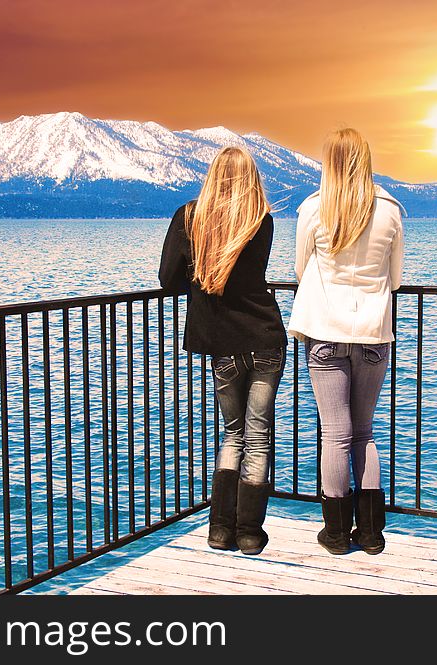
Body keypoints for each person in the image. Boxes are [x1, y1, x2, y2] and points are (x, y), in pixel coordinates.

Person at [159, 146, 287, 555]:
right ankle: (250, 533)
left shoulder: (189, 216)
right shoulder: (260, 219)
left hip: (222, 343)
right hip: (264, 338)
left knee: (233, 434)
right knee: (259, 435)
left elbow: (167, 280)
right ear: (251, 178)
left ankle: (219, 530)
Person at [288, 128, 405, 555]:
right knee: (363, 433)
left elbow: (302, 270)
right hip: (374, 331)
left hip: (325, 333)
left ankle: (335, 534)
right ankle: (372, 534)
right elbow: (396, 279)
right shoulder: (390, 211)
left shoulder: (314, 209)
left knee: (335, 434)